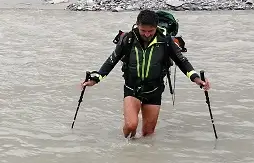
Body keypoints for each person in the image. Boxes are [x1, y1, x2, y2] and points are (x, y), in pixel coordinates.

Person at [80, 9, 211, 138]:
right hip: (132, 88)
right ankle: (125, 147)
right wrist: (95, 79)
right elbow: (111, 61)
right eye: (143, 30)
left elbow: (182, 61)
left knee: (148, 134)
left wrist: (197, 79)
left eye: (151, 31)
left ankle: (141, 150)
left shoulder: (165, 41)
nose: (147, 34)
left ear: (156, 27)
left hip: (154, 90)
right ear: (137, 25)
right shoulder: (128, 39)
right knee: (131, 126)